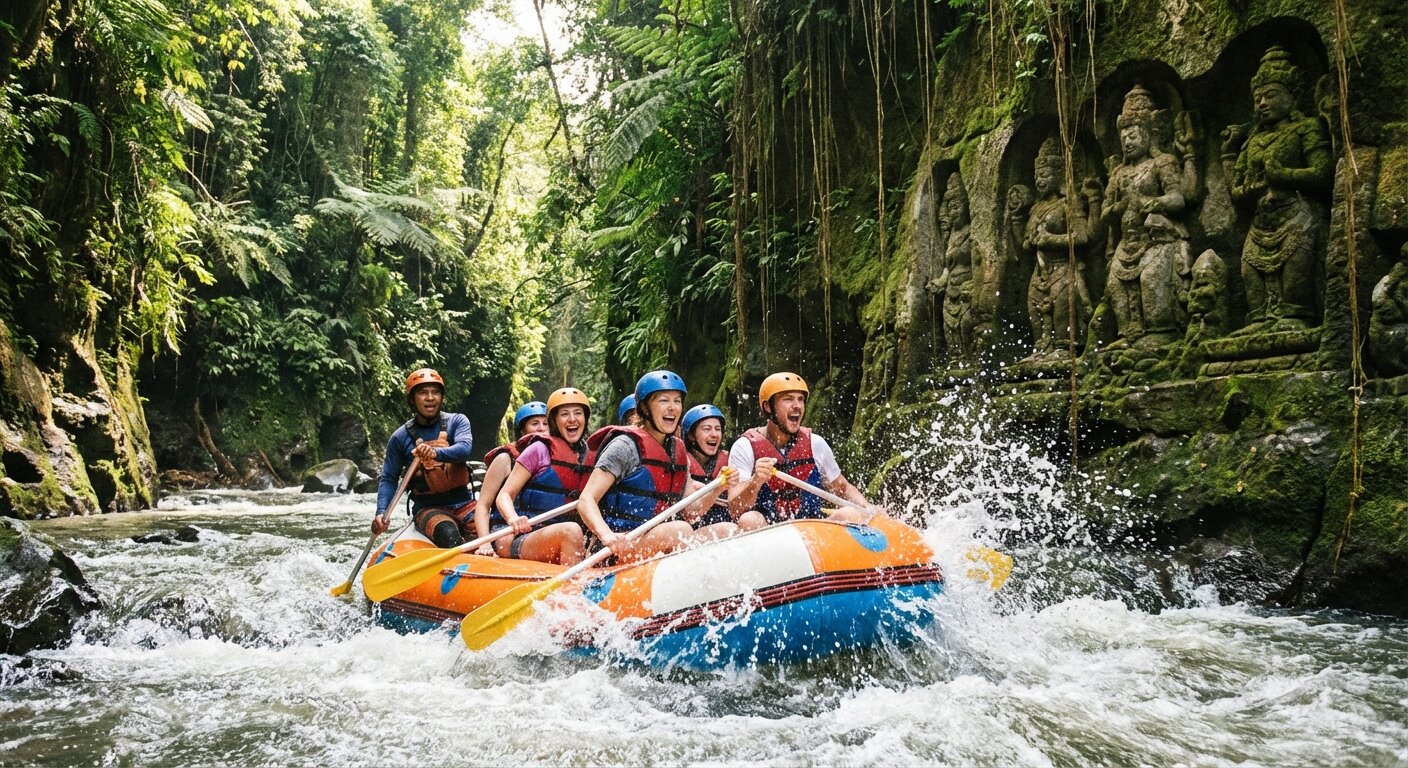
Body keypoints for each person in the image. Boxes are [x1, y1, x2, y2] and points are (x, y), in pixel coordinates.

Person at [577, 371, 736, 563]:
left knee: (728, 530)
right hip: (619, 547)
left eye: (677, 401)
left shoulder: (677, 450)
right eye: (664, 400)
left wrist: (718, 487)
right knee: (680, 530)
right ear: (644, 408)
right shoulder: (625, 446)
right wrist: (607, 536)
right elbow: (586, 500)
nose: (672, 407)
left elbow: (691, 512)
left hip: (660, 539)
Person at [728, 372, 883, 524]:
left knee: (850, 513)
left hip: (811, 531)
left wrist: (867, 507)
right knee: (749, 520)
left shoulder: (816, 444)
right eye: (788, 399)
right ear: (768, 407)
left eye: (801, 399)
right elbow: (735, 509)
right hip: (767, 532)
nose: (797, 406)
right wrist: (755, 481)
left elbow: (842, 488)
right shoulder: (745, 447)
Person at [372, 368, 475, 547]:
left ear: (442, 397)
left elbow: (464, 449)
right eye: (422, 393)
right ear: (412, 399)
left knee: (489, 530)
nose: (430, 398)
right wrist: (381, 511)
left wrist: (435, 453)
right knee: (448, 533)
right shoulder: (400, 437)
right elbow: (389, 478)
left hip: (464, 502)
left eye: (435, 392)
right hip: (427, 508)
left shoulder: (457, 421)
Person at [491, 388, 592, 564]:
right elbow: (504, 495)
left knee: (576, 533)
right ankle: (571, 582)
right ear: (554, 421)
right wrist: (513, 518)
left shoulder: (590, 456)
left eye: (578, 413)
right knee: (571, 531)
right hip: (521, 535)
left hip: (559, 535)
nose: (572, 419)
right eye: (564, 414)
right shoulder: (538, 449)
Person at [468, 401, 549, 556]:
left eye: (546, 423)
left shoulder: (552, 459)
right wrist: (484, 543)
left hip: (538, 530)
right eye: (534, 423)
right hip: (504, 531)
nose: (541, 428)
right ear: (522, 430)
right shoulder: (505, 459)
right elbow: (483, 505)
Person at [683, 404, 765, 532]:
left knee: (753, 519)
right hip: (694, 529)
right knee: (729, 529)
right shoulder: (683, 463)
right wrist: (717, 487)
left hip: (727, 524)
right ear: (691, 436)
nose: (714, 434)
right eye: (707, 429)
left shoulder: (729, 460)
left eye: (718, 429)